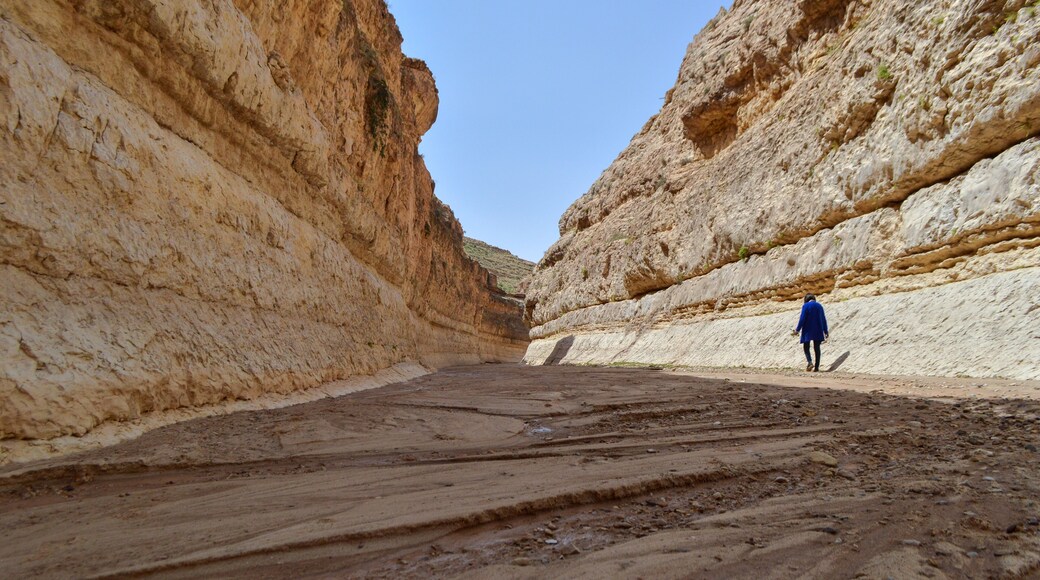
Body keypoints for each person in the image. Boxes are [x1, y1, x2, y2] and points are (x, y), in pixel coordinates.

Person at [792, 293, 828, 372]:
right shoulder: (820, 306)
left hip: (808, 330)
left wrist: (797, 330)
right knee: (817, 348)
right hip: (818, 329)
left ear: (806, 300)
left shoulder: (806, 306)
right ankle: (817, 367)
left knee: (806, 347)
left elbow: (802, 319)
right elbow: (823, 319)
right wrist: (826, 331)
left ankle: (810, 362)